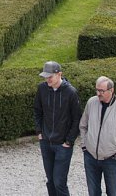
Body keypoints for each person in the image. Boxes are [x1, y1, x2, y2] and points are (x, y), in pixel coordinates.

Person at [79, 76, 116, 196]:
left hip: (111, 159)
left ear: (111, 90)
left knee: (113, 192)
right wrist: (84, 146)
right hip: (90, 157)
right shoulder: (91, 102)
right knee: (93, 193)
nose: (98, 93)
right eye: (97, 90)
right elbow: (83, 126)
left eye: (102, 91)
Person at [33, 61, 81, 196]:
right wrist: (40, 132)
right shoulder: (42, 89)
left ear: (59, 74)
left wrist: (69, 141)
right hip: (46, 142)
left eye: (50, 77)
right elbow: (37, 111)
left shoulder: (71, 92)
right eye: (45, 77)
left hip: (62, 145)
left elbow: (77, 118)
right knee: (50, 181)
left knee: (59, 182)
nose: (47, 79)